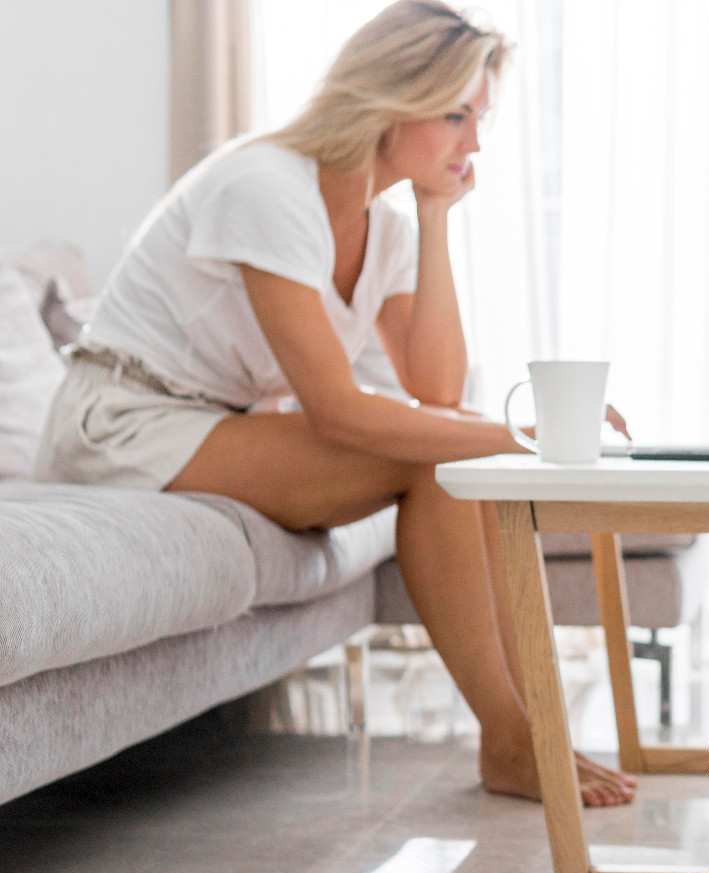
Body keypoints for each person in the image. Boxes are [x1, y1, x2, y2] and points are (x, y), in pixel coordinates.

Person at [33, 0, 636, 807]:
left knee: (454, 447)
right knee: (445, 455)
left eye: (479, 119)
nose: (475, 144)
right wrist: (524, 434)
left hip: (209, 422)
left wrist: (432, 219)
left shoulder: (378, 224)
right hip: (120, 424)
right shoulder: (266, 186)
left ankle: (532, 730)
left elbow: (433, 389)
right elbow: (338, 411)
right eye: (456, 116)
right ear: (390, 102)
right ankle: (510, 738)